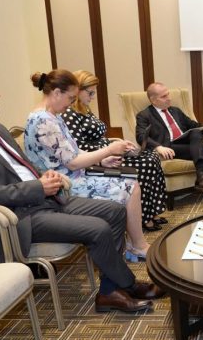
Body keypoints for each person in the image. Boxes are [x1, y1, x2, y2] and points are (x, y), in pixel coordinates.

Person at [0, 68, 164, 313]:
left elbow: (22, 167)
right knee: (98, 228)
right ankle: (126, 285)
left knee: (115, 211)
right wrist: (37, 187)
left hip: (45, 198)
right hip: (15, 217)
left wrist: (43, 176)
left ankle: (111, 291)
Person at [24, 69, 151, 259]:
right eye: (70, 98)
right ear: (56, 93)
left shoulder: (52, 116)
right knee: (131, 187)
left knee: (130, 181)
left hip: (72, 176)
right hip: (63, 186)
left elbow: (72, 152)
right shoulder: (43, 121)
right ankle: (137, 245)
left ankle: (133, 244)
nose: (71, 104)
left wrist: (101, 159)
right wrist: (109, 150)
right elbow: (73, 163)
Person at [62, 70, 167, 232]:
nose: (93, 97)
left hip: (107, 150)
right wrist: (110, 149)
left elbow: (95, 137)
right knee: (146, 163)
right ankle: (143, 217)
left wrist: (115, 141)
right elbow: (78, 146)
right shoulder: (70, 113)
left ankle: (151, 212)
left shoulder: (84, 108)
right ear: (78, 91)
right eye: (90, 92)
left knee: (152, 156)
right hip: (97, 158)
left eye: (94, 92)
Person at [136, 82, 203, 210]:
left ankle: (201, 175)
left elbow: (195, 125)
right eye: (164, 96)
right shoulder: (144, 115)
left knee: (195, 132)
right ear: (153, 100)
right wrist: (159, 147)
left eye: (168, 94)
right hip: (169, 148)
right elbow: (141, 136)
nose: (169, 98)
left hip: (186, 144)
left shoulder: (175, 111)